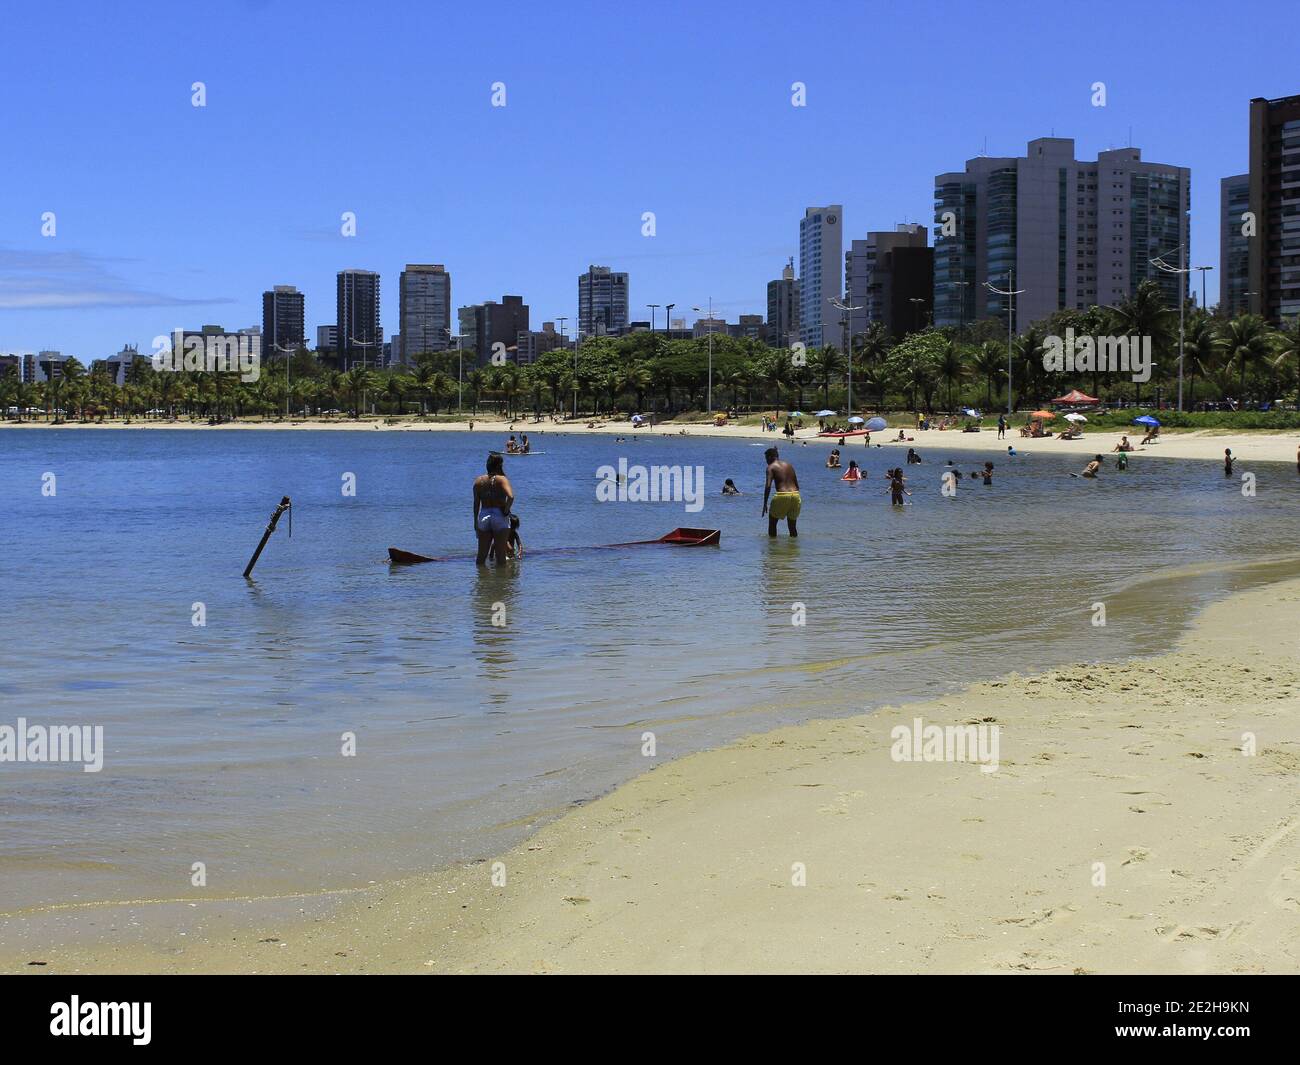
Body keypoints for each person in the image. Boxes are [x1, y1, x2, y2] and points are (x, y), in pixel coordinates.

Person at [473, 453, 515, 565]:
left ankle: (481, 581)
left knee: (481, 557)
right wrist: (506, 511)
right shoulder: (502, 479)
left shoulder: (478, 481)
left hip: (484, 514)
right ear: (499, 465)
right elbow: (511, 497)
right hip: (499, 515)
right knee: (501, 556)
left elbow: (476, 504)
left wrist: (475, 522)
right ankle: (501, 582)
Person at [762, 447, 801, 537]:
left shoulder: (770, 467)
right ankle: (793, 549)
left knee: (772, 523)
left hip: (782, 495)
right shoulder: (789, 465)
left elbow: (768, 486)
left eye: (766, 459)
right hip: (796, 495)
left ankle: (772, 549)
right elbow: (797, 485)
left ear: (770, 457)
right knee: (792, 526)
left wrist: (765, 503)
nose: (766, 462)